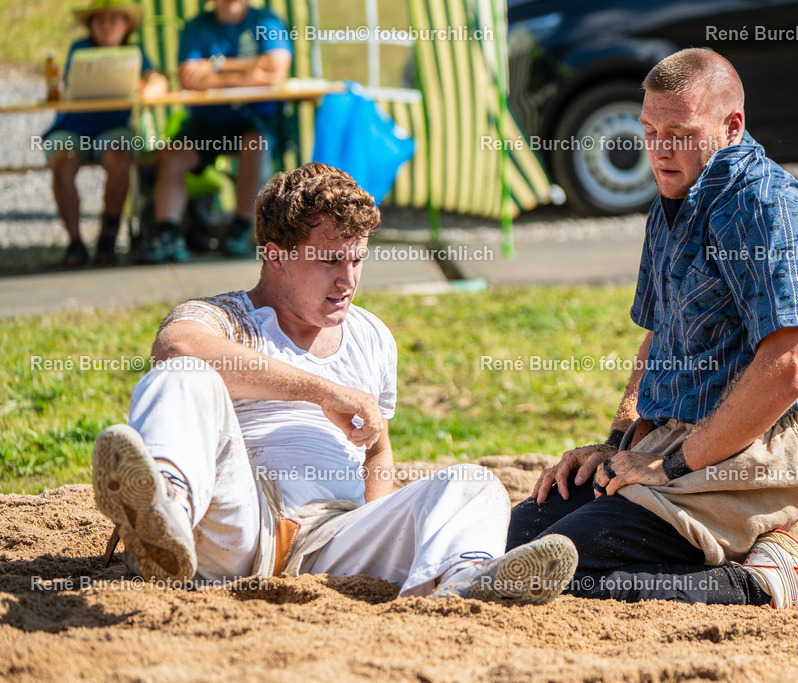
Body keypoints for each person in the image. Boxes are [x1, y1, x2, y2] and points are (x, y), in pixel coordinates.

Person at [92, 162, 577, 604]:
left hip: (332, 538)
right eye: (329, 261)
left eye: (357, 260)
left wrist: (378, 522)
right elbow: (175, 349)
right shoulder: (224, 317)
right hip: (236, 523)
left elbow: (378, 448)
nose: (348, 280)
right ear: (277, 257)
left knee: (475, 482)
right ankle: (161, 516)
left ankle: (465, 580)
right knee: (182, 375)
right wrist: (321, 391)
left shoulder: (371, 336)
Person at [508, 48, 798, 615]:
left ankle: (774, 580)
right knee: (520, 543)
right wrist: (619, 443)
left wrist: (672, 465)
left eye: (679, 132)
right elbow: (661, 336)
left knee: (568, 578)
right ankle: (730, 558)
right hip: (669, 442)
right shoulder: (672, 201)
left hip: (754, 452)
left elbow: (790, 370)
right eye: (650, 131)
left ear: (733, 126)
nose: (659, 149)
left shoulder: (771, 209)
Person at [143, 0, 292, 263]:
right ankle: (168, 232)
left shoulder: (266, 22)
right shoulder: (196, 26)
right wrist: (249, 70)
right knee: (171, 156)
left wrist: (215, 66)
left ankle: (242, 226)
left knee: (255, 143)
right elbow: (188, 77)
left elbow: (276, 70)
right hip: (206, 123)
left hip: (255, 119)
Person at [43, 0, 167, 267]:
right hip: (72, 127)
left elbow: (157, 81)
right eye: (100, 20)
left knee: (120, 158)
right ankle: (75, 242)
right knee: (61, 162)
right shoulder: (80, 49)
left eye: (113, 19)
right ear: (91, 26)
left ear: (126, 25)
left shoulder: (135, 52)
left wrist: (149, 86)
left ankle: (108, 235)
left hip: (114, 129)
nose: (107, 25)